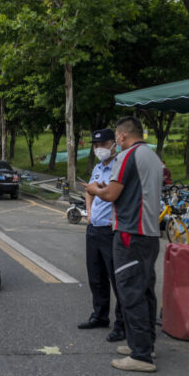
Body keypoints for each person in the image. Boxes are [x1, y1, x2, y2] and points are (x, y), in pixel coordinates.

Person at [85, 116, 162, 373]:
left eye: (116, 136)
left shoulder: (128, 156)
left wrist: (96, 190)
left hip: (130, 232)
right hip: (150, 233)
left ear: (121, 137)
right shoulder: (152, 156)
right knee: (146, 291)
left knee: (130, 292)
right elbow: (133, 190)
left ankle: (141, 355)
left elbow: (111, 194)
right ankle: (144, 344)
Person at [78, 128, 125, 343]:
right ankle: (99, 315)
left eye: (103, 145)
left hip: (110, 230)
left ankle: (122, 324)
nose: (99, 149)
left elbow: (114, 194)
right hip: (94, 228)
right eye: (96, 146)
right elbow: (90, 190)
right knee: (96, 276)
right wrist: (89, 213)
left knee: (117, 278)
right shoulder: (98, 167)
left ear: (113, 144)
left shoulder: (119, 167)